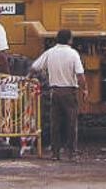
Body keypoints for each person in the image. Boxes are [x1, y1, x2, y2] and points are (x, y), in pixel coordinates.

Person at [27, 29, 88, 161]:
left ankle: (55, 153)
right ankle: (71, 153)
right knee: (71, 123)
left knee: (55, 123)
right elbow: (80, 75)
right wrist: (85, 89)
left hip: (54, 92)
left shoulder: (50, 53)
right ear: (69, 40)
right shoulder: (73, 54)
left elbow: (34, 67)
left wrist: (28, 78)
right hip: (69, 92)